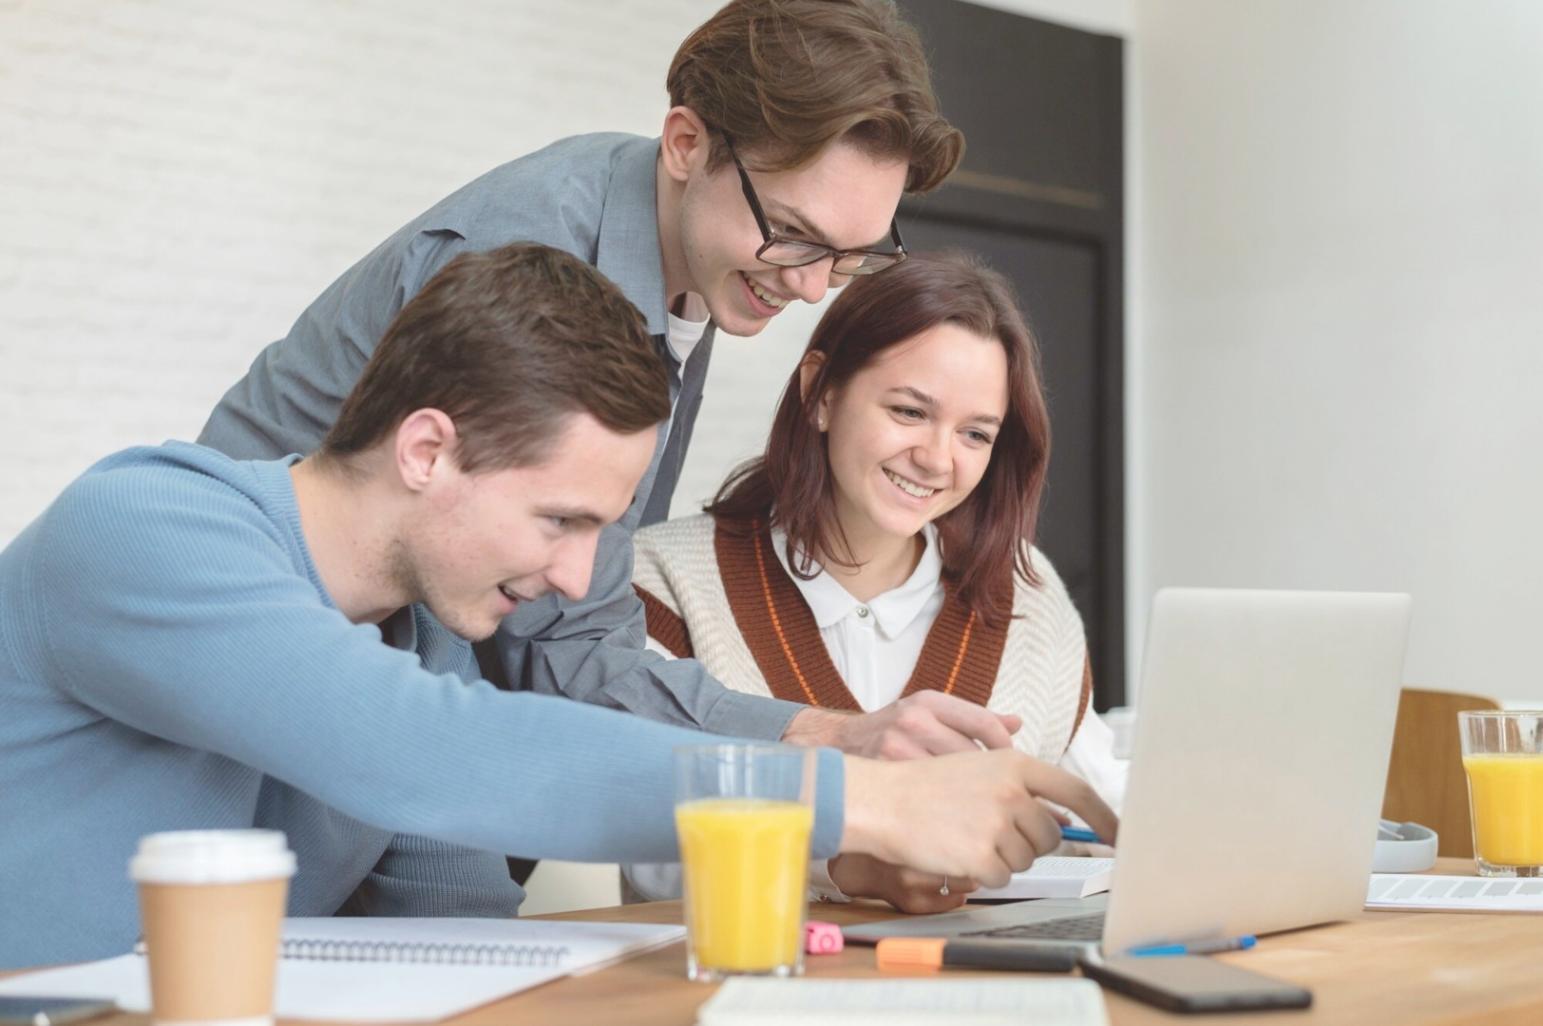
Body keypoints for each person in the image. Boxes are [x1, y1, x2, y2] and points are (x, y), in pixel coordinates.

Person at [0, 245, 1116, 969]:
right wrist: (865, 802)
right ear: (429, 449)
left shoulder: (431, 620)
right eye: (560, 522)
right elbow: (429, 754)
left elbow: (448, 922)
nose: (582, 583)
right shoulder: (146, 528)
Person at [195, 0, 1010, 758]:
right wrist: (826, 740)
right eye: (794, 236)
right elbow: (565, 642)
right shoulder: (538, 257)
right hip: (253, 686)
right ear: (687, 145)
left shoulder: (698, 252)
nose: (807, 285)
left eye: (848, 256)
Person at [626, 252, 1128, 911]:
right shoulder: (664, 579)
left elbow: (1098, 805)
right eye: (909, 412)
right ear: (821, 391)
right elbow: (644, 842)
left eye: (975, 433)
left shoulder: (1027, 597)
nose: (936, 458)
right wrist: (844, 865)